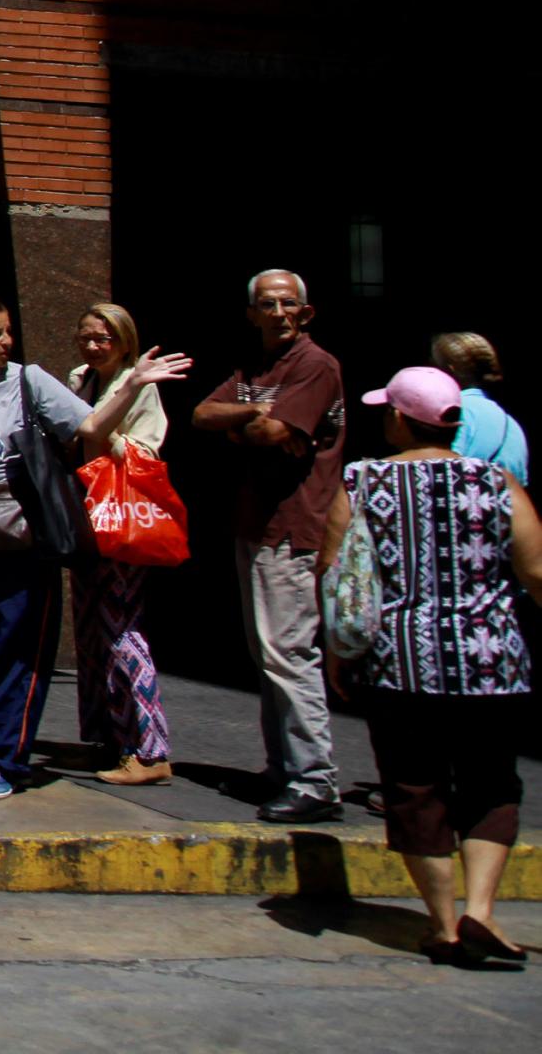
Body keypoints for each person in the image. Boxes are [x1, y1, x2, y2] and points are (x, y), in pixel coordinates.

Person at [320, 365, 542, 967]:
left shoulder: (364, 482)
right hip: (490, 664)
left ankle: (443, 926)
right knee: (491, 785)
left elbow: (339, 578)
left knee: (415, 789)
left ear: (398, 418)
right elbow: (535, 572)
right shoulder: (496, 483)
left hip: (399, 667)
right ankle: (482, 912)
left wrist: (339, 655)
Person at [0, 294, 133, 801]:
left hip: (22, 541)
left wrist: (135, 386)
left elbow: (88, 427)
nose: (6, 342)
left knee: (14, 651)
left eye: (8, 332)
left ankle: (6, 761)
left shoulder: (28, 380)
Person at [191, 267, 347, 824]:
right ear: (251, 313)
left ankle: (314, 780)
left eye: (287, 304)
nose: (277, 312)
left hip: (293, 526)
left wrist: (252, 423)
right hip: (255, 524)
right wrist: (250, 414)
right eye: (266, 304)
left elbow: (275, 433)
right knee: (267, 655)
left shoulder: (315, 365)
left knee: (288, 654)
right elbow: (202, 413)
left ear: (305, 313)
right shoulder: (257, 368)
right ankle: (283, 769)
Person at [67, 301, 193, 785]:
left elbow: (140, 449)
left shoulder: (138, 386)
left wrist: (109, 432)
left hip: (120, 515)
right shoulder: (80, 377)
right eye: (87, 336)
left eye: (105, 339)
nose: (94, 346)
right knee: (89, 629)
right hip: (85, 513)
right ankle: (108, 739)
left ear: (125, 343)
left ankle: (150, 748)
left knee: (122, 629)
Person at [431, 333, 528, 485]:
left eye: (432, 367)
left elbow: (440, 472)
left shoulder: (455, 412)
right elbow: (519, 486)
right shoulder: (512, 424)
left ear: (450, 371)